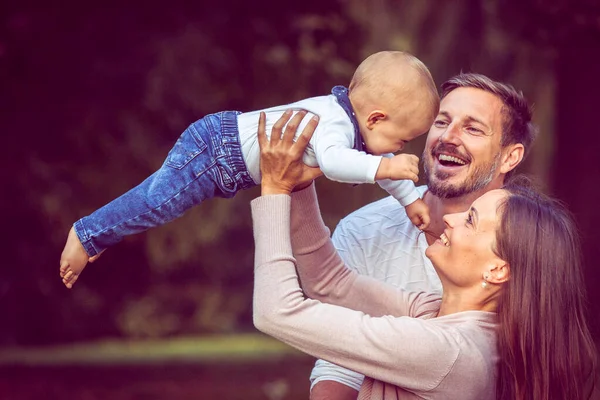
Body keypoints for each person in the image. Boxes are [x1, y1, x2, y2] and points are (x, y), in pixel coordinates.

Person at [251, 110, 597, 400]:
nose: (450, 218)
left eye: (471, 220)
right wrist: (297, 182)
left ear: (497, 270)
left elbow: (277, 312)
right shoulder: (437, 315)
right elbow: (330, 282)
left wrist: (274, 190)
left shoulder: (445, 351)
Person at [59, 50, 439, 289]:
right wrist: (387, 167)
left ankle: (103, 233)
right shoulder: (335, 124)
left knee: (157, 199)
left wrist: (409, 201)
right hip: (214, 150)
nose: (399, 149)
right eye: (401, 140)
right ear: (375, 118)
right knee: (158, 201)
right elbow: (337, 164)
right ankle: (88, 233)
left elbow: (358, 165)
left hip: (221, 154)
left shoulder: (349, 126)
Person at [309, 72, 542, 399]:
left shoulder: (529, 252)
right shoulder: (363, 229)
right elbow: (336, 361)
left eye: (472, 128)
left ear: (509, 156)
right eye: (441, 122)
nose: (448, 136)